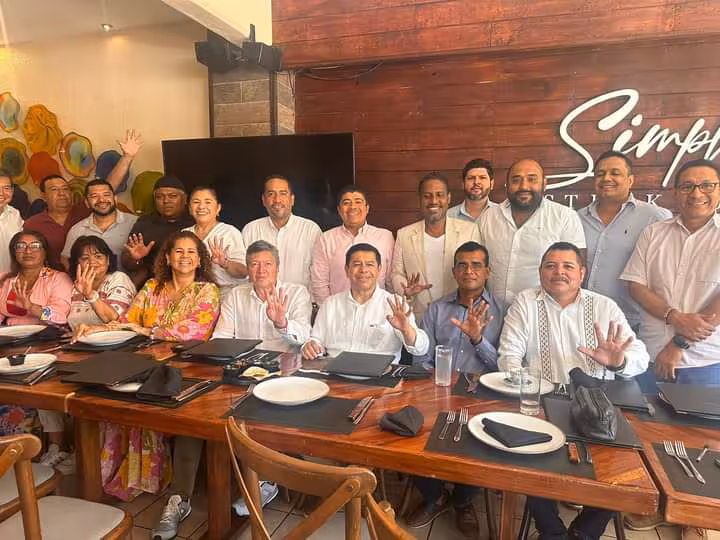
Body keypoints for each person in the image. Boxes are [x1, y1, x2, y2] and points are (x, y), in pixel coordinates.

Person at [74, 231, 220, 539]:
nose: (184, 257)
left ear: (199, 259)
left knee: (187, 420)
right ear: (167, 257)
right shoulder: (152, 287)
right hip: (144, 365)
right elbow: (126, 321)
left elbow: (194, 331)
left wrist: (145, 329)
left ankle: (179, 499)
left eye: (190, 252)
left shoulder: (206, 290)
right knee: (103, 396)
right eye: (178, 251)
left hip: (188, 369)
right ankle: (107, 484)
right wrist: (93, 323)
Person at [499, 242, 648, 540]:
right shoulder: (526, 302)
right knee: (527, 457)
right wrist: (525, 386)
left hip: (596, 407)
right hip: (542, 404)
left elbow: (641, 357)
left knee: (623, 469)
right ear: (540, 271)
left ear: (582, 273)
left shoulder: (604, 307)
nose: (559, 272)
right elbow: (508, 357)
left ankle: (584, 533)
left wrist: (618, 361)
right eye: (551, 266)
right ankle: (551, 532)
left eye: (568, 266)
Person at [619, 159, 720, 540]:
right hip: (649, 350)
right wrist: (674, 316)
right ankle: (654, 506)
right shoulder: (655, 233)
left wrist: (679, 343)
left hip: (704, 358)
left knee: (701, 439)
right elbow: (635, 285)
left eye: (707, 185)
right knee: (651, 430)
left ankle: (695, 515)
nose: (697, 193)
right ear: (675, 192)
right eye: (688, 186)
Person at [408, 241, 502, 537]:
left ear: (488, 271)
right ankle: (435, 496)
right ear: (454, 271)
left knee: (483, 444)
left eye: (476, 265)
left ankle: (463, 501)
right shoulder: (437, 308)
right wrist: (431, 388)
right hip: (437, 391)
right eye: (462, 265)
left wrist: (478, 340)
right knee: (406, 432)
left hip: (482, 396)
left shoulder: (503, 310)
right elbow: (421, 358)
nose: (468, 271)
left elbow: (504, 368)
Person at [0, 230, 73, 471]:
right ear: (14, 252)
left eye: (34, 246)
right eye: (21, 246)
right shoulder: (6, 280)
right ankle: (10, 449)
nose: (28, 251)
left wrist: (32, 307)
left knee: (40, 388)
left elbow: (61, 315)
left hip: (48, 343)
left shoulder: (57, 279)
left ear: (44, 251)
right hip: (10, 345)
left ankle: (57, 447)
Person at [577, 151, 671, 331]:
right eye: (600, 174)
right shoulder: (577, 218)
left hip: (633, 323)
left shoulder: (655, 217)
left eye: (615, 173)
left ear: (630, 180)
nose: (606, 178)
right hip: (584, 319)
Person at [478, 159, 586, 308]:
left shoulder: (564, 217)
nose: (523, 186)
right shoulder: (488, 217)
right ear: (507, 185)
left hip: (542, 312)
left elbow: (576, 271)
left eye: (532, 179)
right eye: (516, 180)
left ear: (544, 183)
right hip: (492, 310)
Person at [24, 131, 142, 266]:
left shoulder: (83, 209)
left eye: (65, 189)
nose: (62, 193)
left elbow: (108, 186)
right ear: (44, 196)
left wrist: (127, 157)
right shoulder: (33, 224)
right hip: (56, 276)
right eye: (54, 189)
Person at [302, 243, 429, 363]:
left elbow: (421, 349)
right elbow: (316, 340)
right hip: (334, 372)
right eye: (357, 264)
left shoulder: (395, 304)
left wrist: (406, 330)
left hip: (380, 375)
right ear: (347, 270)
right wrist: (310, 346)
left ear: (379, 270)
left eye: (369, 264)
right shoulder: (331, 304)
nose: (363, 270)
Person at [391, 172, 480, 320]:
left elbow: (478, 271)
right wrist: (405, 290)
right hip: (418, 317)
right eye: (427, 196)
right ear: (420, 200)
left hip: (458, 316)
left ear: (448, 198)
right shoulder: (404, 234)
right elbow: (396, 273)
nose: (433, 201)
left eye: (439, 195)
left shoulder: (469, 230)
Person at [213, 240, 312, 350]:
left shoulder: (297, 293)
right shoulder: (235, 295)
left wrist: (282, 324)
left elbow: (304, 337)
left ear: (277, 268)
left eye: (267, 264)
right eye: (254, 264)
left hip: (283, 359)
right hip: (245, 359)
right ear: (248, 269)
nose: (261, 270)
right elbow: (221, 337)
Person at [311, 186, 394, 304]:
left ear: (367, 208)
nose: (353, 207)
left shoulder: (385, 237)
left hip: (378, 309)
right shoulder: (326, 239)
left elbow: (391, 280)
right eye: (346, 203)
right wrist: (330, 309)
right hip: (338, 309)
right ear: (339, 210)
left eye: (358, 202)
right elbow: (319, 282)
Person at [242, 175, 321, 289]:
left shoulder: (310, 230)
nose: (277, 200)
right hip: (259, 299)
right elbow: (245, 273)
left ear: (292, 199)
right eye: (271, 194)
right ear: (263, 200)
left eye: (283, 193)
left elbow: (319, 274)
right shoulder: (250, 230)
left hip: (300, 298)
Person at [121, 175, 194, 289]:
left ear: (185, 199)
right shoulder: (144, 223)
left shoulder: (194, 223)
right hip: (153, 285)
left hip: (190, 283)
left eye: (172, 196)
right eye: (160, 197)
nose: (166, 201)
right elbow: (126, 262)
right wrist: (135, 258)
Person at [182, 185, 247, 298]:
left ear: (218, 208)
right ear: (190, 208)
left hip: (226, 296)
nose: (201, 206)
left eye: (208, 202)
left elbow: (243, 272)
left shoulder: (229, 232)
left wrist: (225, 263)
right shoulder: (184, 234)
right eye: (196, 202)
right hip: (192, 296)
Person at [61, 179, 138, 271]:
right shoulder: (77, 230)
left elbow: (146, 262)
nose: (101, 200)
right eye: (94, 196)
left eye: (106, 195)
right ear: (87, 203)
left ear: (115, 199)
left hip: (129, 279)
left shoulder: (135, 223)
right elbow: (66, 260)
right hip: (91, 280)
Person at [67, 236, 136, 330]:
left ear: (108, 260)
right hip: (79, 338)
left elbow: (114, 320)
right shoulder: (76, 286)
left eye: (98, 256)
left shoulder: (118, 278)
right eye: (85, 258)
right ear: (77, 263)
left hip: (114, 338)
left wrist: (90, 296)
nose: (92, 261)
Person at [447, 158, 497, 223]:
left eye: (482, 177)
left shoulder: (500, 214)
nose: (476, 182)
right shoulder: (449, 216)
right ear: (463, 184)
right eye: (471, 178)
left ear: (491, 184)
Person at [0, 170, 23, 274]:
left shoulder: (15, 214)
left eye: (6, 188)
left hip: (11, 277)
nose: (1, 193)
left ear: (12, 191)